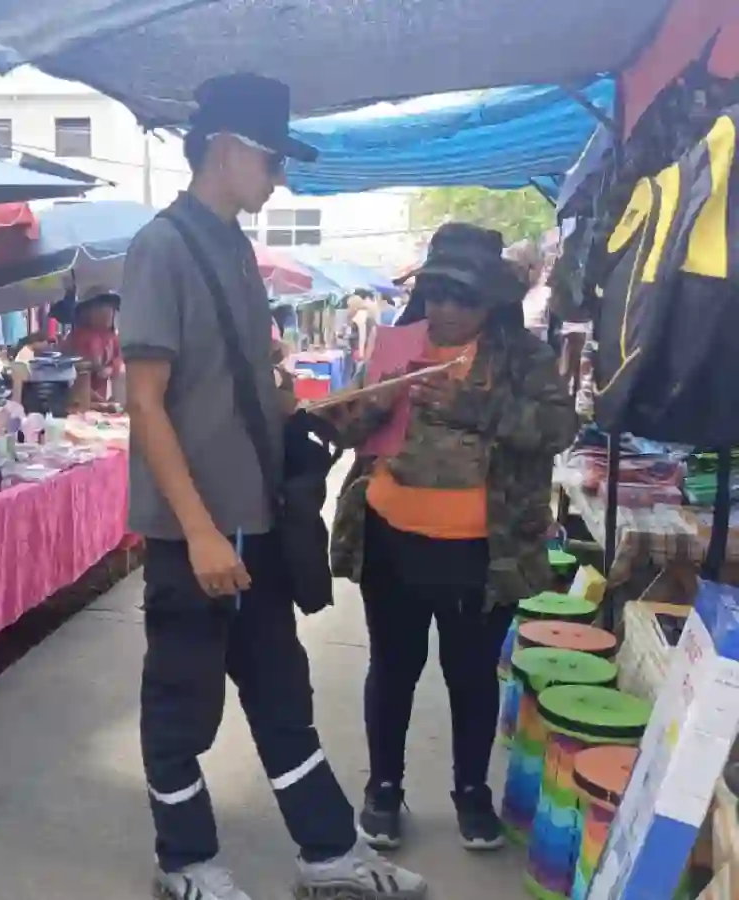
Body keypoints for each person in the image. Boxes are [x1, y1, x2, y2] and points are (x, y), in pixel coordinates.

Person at [120, 73, 426, 900]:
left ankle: (327, 854)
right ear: (225, 147)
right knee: (181, 708)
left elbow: (239, 385)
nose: (279, 177)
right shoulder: (162, 248)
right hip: (198, 535)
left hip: (253, 525)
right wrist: (199, 530)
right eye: (272, 159)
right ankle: (185, 864)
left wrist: (310, 409)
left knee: (283, 696)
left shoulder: (234, 249)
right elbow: (146, 402)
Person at [327, 223, 578, 853]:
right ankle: (383, 788)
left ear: (491, 300)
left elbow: (558, 429)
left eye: (463, 297)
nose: (445, 309)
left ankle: (471, 792)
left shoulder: (522, 357)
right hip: (390, 541)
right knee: (393, 668)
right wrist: (370, 403)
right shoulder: (398, 343)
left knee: (470, 675)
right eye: (436, 293)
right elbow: (346, 431)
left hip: (482, 553)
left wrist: (475, 407)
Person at [62, 291, 123, 402]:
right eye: (101, 307)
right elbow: (67, 365)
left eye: (111, 309)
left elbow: (118, 359)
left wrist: (110, 369)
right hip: (78, 395)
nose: (108, 313)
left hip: (101, 395)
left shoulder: (113, 338)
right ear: (87, 312)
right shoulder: (76, 337)